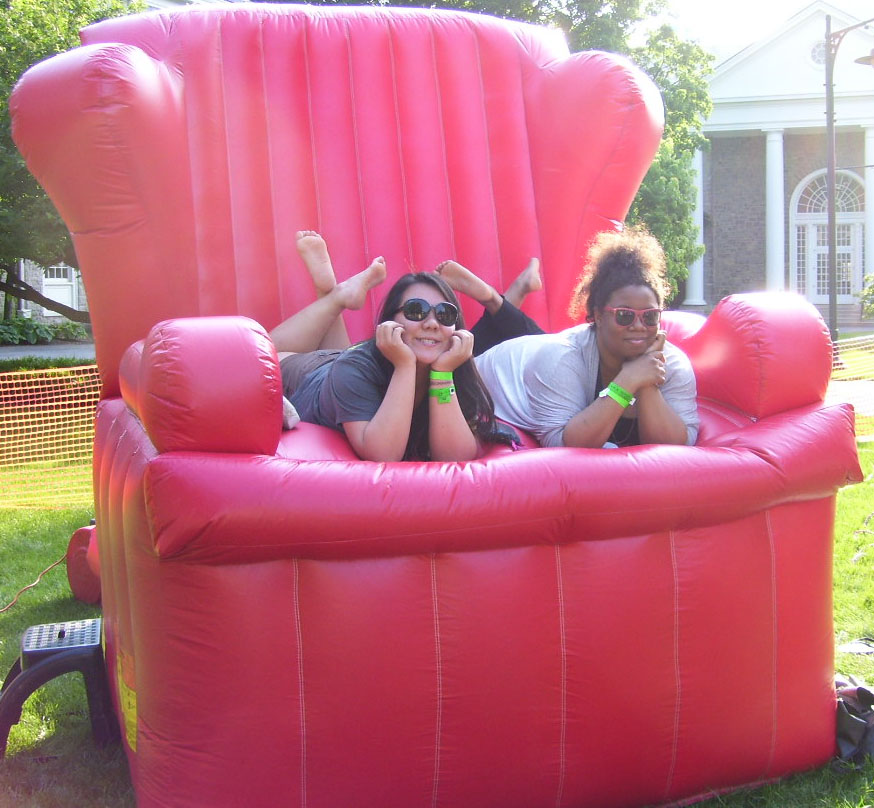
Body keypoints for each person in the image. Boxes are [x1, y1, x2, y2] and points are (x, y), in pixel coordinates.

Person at [272, 231, 513, 462]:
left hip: (345, 367)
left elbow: (455, 458)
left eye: (444, 314)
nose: (431, 323)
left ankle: (332, 293)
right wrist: (405, 364)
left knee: (347, 362)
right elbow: (383, 454)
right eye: (416, 311)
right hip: (310, 375)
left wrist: (443, 375)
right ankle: (337, 296)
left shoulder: (457, 370)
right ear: (391, 320)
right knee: (266, 353)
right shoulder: (353, 369)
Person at [474, 226, 699, 449]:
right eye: (624, 316)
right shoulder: (561, 359)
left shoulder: (674, 363)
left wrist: (647, 383)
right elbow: (563, 447)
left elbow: (679, 445)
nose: (639, 326)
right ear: (598, 316)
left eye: (650, 317)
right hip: (480, 383)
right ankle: (497, 297)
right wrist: (627, 381)